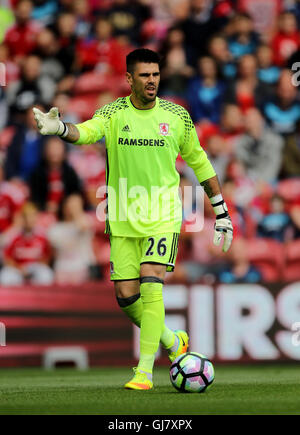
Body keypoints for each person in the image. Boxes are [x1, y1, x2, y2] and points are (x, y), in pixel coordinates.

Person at [32, 48, 233, 390]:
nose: (151, 80)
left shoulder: (177, 116)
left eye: (155, 74)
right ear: (129, 78)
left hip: (163, 215)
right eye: (144, 75)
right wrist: (60, 129)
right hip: (123, 218)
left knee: (151, 283)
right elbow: (87, 132)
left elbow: (201, 164)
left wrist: (221, 212)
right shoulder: (113, 113)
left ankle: (144, 373)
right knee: (126, 296)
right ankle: (173, 341)